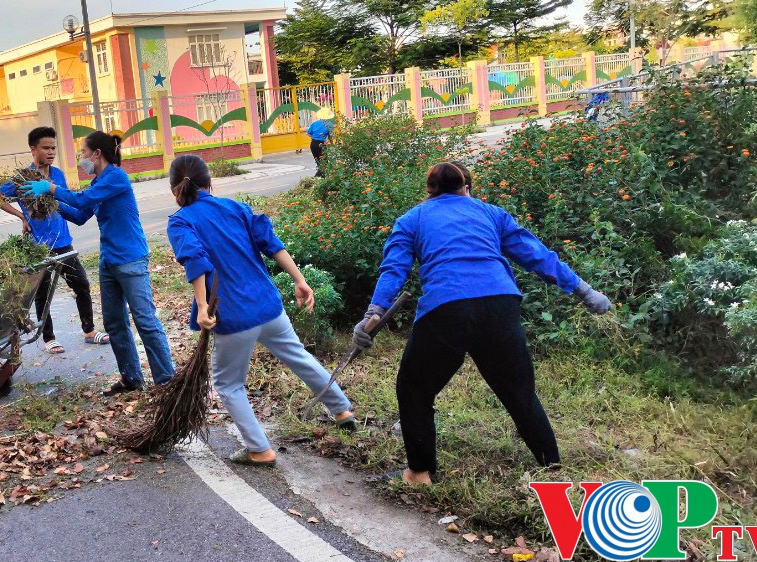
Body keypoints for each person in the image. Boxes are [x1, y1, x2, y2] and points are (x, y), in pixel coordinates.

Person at [354, 162, 612, 486]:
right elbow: (537, 256)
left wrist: (372, 313)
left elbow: (394, 270)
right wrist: (585, 291)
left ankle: (419, 473)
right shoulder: (492, 214)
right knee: (520, 393)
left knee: (415, 389)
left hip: (447, 308)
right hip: (499, 304)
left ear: (429, 191)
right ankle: (553, 467)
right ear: (467, 187)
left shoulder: (412, 219)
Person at [165, 155, 359, 467]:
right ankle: (341, 409)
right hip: (268, 306)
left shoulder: (181, 221)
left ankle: (259, 449)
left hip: (232, 315)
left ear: (175, 189)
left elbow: (195, 259)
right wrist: (300, 280)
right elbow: (272, 243)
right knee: (299, 356)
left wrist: (202, 307)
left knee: (228, 384)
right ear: (209, 182)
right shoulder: (236, 208)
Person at [21, 131, 175, 395]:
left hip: (131, 259)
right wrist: (50, 204)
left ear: (97, 154)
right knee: (114, 323)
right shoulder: (97, 182)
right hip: (109, 261)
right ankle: (131, 378)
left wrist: (51, 188)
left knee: (145, 321)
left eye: (83, 153)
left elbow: (82, 200)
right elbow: (81, 214)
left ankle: (167, 381)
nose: (81, 158)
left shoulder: (116, 177)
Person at [0, 126, 109, 354]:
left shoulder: (58, 175)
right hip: (38, 246)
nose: (51, 152)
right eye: (46, 148)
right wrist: (22, 217)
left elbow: (64, 201)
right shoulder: (22, 178)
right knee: (43, 294)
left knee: (81, 284)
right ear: (33, 149)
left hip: (63, 240)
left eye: (53, 147)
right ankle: (49, 338)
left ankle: (89, 330)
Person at [306, 107, 335, 178]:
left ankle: (321, 177)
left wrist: (314, 137)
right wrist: (332, 144)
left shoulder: (314, 123)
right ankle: (319, 177)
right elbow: (330, 137)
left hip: (313, 144)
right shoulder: (330, 124)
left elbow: (308, 133)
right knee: (324, 162)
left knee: (318, 161)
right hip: (321, 144)